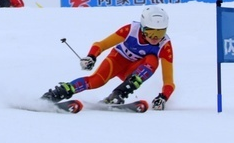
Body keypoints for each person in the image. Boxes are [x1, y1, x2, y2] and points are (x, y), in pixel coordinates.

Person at [41, 6, 175, 111]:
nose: (155, 37)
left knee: (153, 60)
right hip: (117, 60)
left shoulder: (165, 44)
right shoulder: (131, 30)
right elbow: (102, 44)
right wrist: (91, 56)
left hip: (133, 72)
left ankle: (118, 94)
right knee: (96, 81)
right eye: (151, 32)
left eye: (161, 32)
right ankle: (59, 92)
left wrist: (163, 97)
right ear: (142, 27)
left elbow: (169, 80)